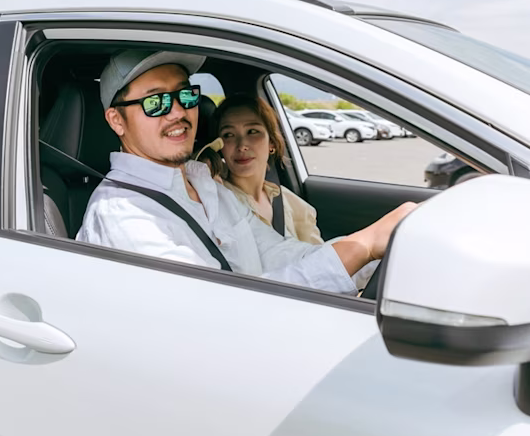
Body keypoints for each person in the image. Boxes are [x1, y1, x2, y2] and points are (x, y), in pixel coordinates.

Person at [76, 49, 417, 295]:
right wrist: (363, 246)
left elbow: (278, 253)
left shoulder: (203, 183)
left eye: (185, 95)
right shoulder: (125, 216)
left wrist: (374, 249)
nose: (178, 112)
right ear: (117, 120)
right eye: (156, 102)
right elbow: (222, 309)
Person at [197, 94, 323, 245]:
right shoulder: (213, 200)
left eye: (252, 131)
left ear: (272, 143)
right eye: (228, 135)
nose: (242, 145)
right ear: (219, 146)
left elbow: (321, 256)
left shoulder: (293, 204)